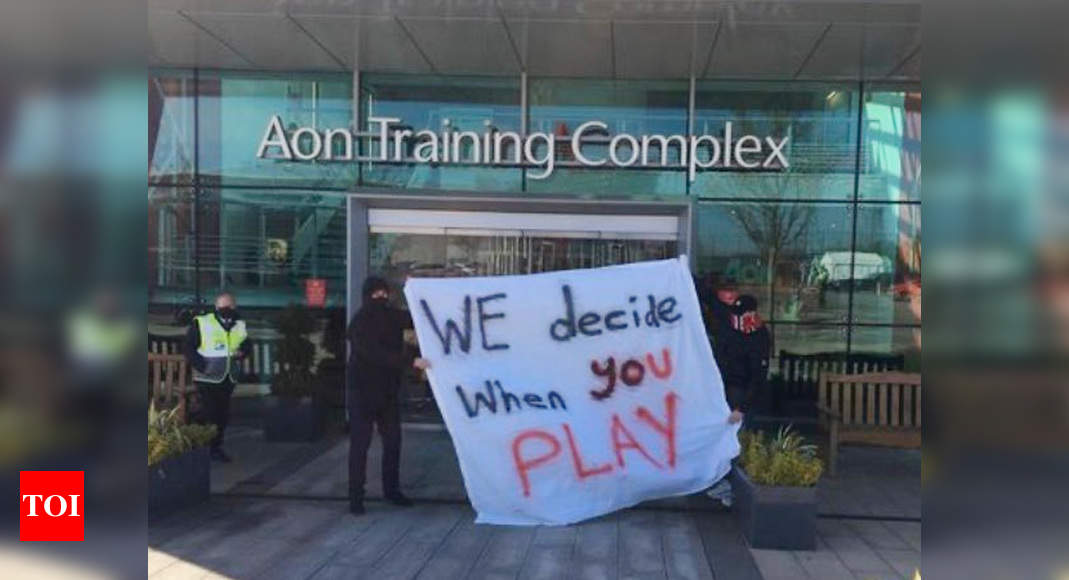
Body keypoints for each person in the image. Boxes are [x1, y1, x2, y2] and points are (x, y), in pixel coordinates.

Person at [347, 276, 429, 515]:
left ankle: (391, 490)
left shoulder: (389, 316)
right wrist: (410, 360)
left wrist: (418, 289)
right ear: (368, 296)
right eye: (376, 294)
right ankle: (356, 497)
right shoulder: (360, 323)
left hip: (386, 392)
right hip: (362, 393)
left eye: (384, 294)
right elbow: (375, 353)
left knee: (393, 443)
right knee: (360, 446)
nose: (381, 298)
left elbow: (418, 317)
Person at [184, 292, 251, 462]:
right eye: (222, 306)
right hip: (207, 377)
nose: (225, 309)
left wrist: (242, 352)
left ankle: (215, 447)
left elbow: (246, 345)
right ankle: (206, 447)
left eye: (229, 306)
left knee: (222, 414)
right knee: (210, 412)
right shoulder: (202, 322)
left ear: (234, 307)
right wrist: (203, 366)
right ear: (216, 307)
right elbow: (189, 348)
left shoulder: (239, 325)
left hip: (228, 377)